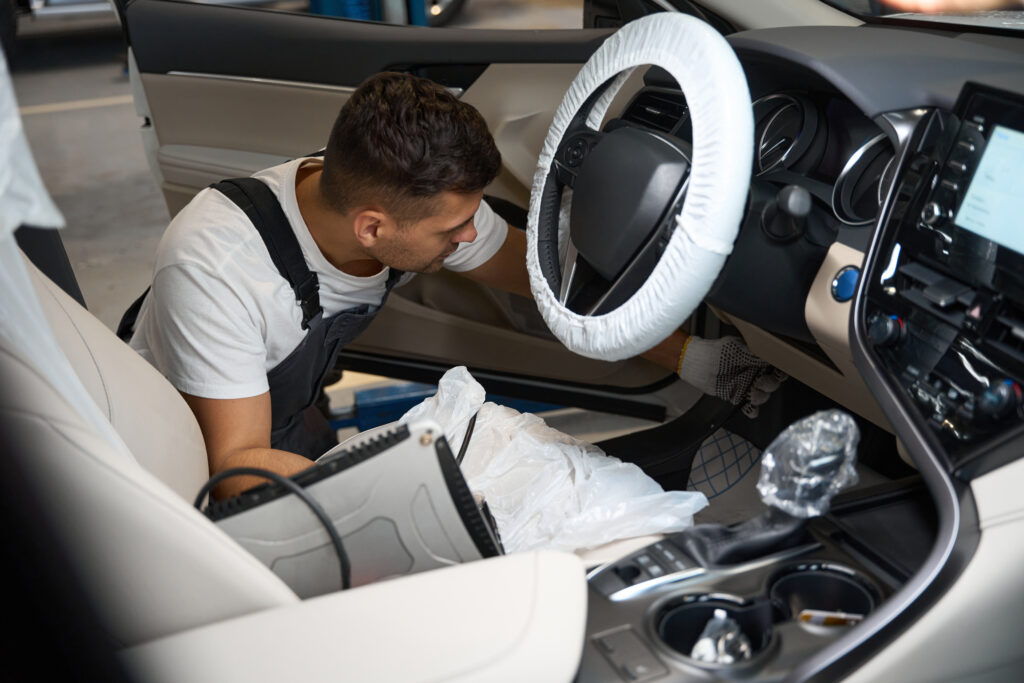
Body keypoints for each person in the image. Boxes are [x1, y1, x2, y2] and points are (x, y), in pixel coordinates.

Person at [126, 72, 779, 499]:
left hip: (289, 422)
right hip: (190, 460)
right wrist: (416, 493)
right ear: (373, 228)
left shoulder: (405, 207)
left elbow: (546, 287)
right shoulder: (218, 270)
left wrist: (691, 356)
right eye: (454, 228)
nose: (470, 237)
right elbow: (237, 466)